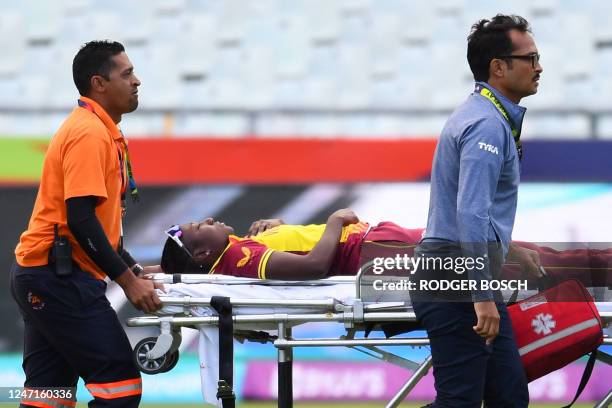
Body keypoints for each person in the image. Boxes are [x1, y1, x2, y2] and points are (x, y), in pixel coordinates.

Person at [11, 41, 162, 408]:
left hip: (46, 275)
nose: (137, 81)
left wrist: (136, 270)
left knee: (48, 396)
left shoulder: (98, 130)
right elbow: (80, 219)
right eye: (127, 74)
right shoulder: (89, 134)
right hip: (60, 278)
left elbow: (101, 230)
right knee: (121, 388)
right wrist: (129, 282)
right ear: (99, 83)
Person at [413, 14, 543, 407]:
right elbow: (469, 213)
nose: (539, 68)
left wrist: (510, 248)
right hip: (456, 278)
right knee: (460, 402)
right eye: (530, 59)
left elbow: (470, 212)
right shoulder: (486, 125)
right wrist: (482, 295)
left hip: (459, 273)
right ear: (498, 67)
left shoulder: (485, 117)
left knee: (508, 398)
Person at [158, 212, 553, 282]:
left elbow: (171, 269)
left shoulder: (238, 248)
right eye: (200, 227)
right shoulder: (241, 258)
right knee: (466, 245)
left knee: (466, 240)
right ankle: (538, 262)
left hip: (376, 243)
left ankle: (523, 256)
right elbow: (313, 266)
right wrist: (332, 223)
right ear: (202, 255)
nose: (208, 220)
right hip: (373, 252)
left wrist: (280, 227)